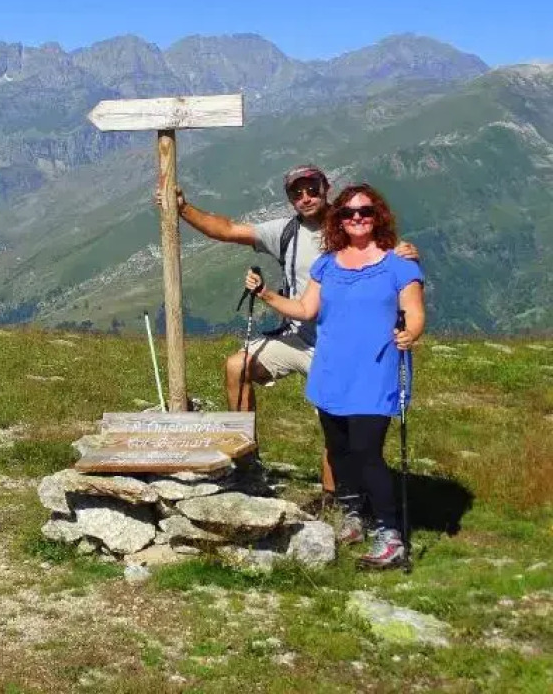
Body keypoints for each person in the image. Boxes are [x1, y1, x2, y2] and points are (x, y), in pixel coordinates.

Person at [157, 165, 417, 501]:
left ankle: (333, 495)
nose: (305, 197)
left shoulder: (351, 225)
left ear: (326, 188)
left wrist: (405, 250)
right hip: (297, 335)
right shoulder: (285, 232)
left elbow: (386, 254)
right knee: (237, 367)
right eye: (297, 193)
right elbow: (227, 230)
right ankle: (246, 462)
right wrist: (182, 208)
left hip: (339, 345)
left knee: (335, 416)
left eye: (312, 190)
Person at [244, 183, 425, 568]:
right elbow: (306, 309)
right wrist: (265, 295)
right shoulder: (328, 263)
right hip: (331, 370)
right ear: (338, 219)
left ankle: (390, 534)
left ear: (378, 216)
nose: (357, 218)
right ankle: (353, 516)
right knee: (339, 450)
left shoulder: (400, 264)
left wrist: (411, 332)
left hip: (375, 371)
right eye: (348, 213)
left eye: (365, 211)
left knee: (367, 453)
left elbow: (414, 310)